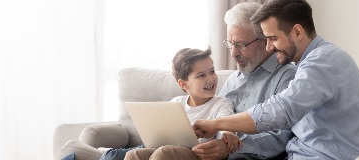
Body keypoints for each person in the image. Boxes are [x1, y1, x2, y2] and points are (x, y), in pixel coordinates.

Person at [193, 0, 359, 159]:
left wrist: (216, 125)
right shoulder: (310, 63)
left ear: (297, 32)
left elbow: (278, 111)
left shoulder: (323, 61)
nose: (269, 47)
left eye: (273, 38)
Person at [125, 2, 296, 160]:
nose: (233, 54)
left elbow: (283, 136)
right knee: (134, 155)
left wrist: (230, 147)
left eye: (241, 45)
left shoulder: (286, 77)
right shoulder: (234, 79)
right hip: (205, 150)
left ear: (264, 41)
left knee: (164, 154)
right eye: (231, 44)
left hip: (240, 156)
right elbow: (215, 119)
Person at [59, 47, 241, 160]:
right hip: (171, 150)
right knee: (133, 154)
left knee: (164, 153)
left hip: (198, 155)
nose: (211, 78)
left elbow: (226, 122)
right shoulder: (176, 103)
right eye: (201, 75)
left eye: (211, 71)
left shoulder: (220, 103)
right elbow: (161, 135)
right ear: (183, 84)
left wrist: (226, 133)